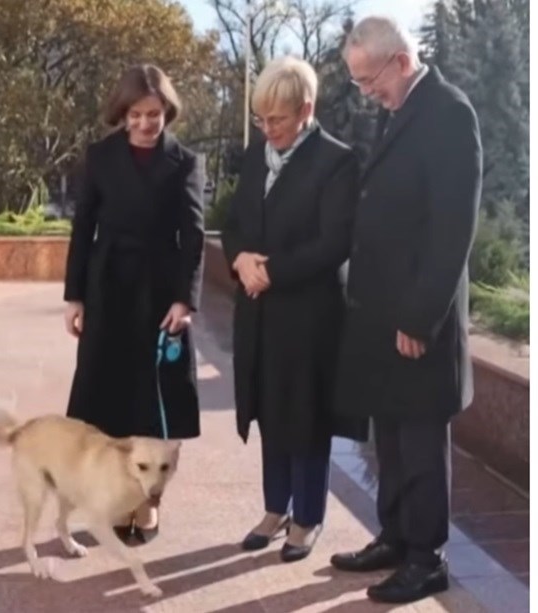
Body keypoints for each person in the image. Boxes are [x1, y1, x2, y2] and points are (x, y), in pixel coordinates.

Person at [328, 17, 483, 604]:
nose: (368, 94)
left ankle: (427, 557)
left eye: (370, 81)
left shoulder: (447, 112)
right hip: (381, 318)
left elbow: (452, 230)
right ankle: (394, 537)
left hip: (419, 324)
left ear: (399, 61)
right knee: (388, 438)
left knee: (419, 443)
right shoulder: (399, 111)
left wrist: (420, 318)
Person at [221, 56, 369, 563]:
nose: (268, 130)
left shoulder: (337, 161)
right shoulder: (256, 154)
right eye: (262, 120)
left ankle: (307, 517)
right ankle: (274, 507)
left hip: (308, 318)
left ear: (305, 109)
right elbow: (234, 221)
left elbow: (334, 243)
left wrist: (271, 272)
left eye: (277, 120)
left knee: (304, 417)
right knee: (267, 409)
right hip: (259, 314)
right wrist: (239, 258)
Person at [62, 64, 206, 544]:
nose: (146, 123)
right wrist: (75, 296)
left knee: (154, 410)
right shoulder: (100, 158)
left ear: (167, 112)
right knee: (105, 406)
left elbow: (194, 236)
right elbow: (83, 230)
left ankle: (148, 504)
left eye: (155, 114)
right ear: (122, 114)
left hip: (161, 300)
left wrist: (186, 300)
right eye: (138, 114)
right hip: (108, 293)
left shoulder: (186, 162)